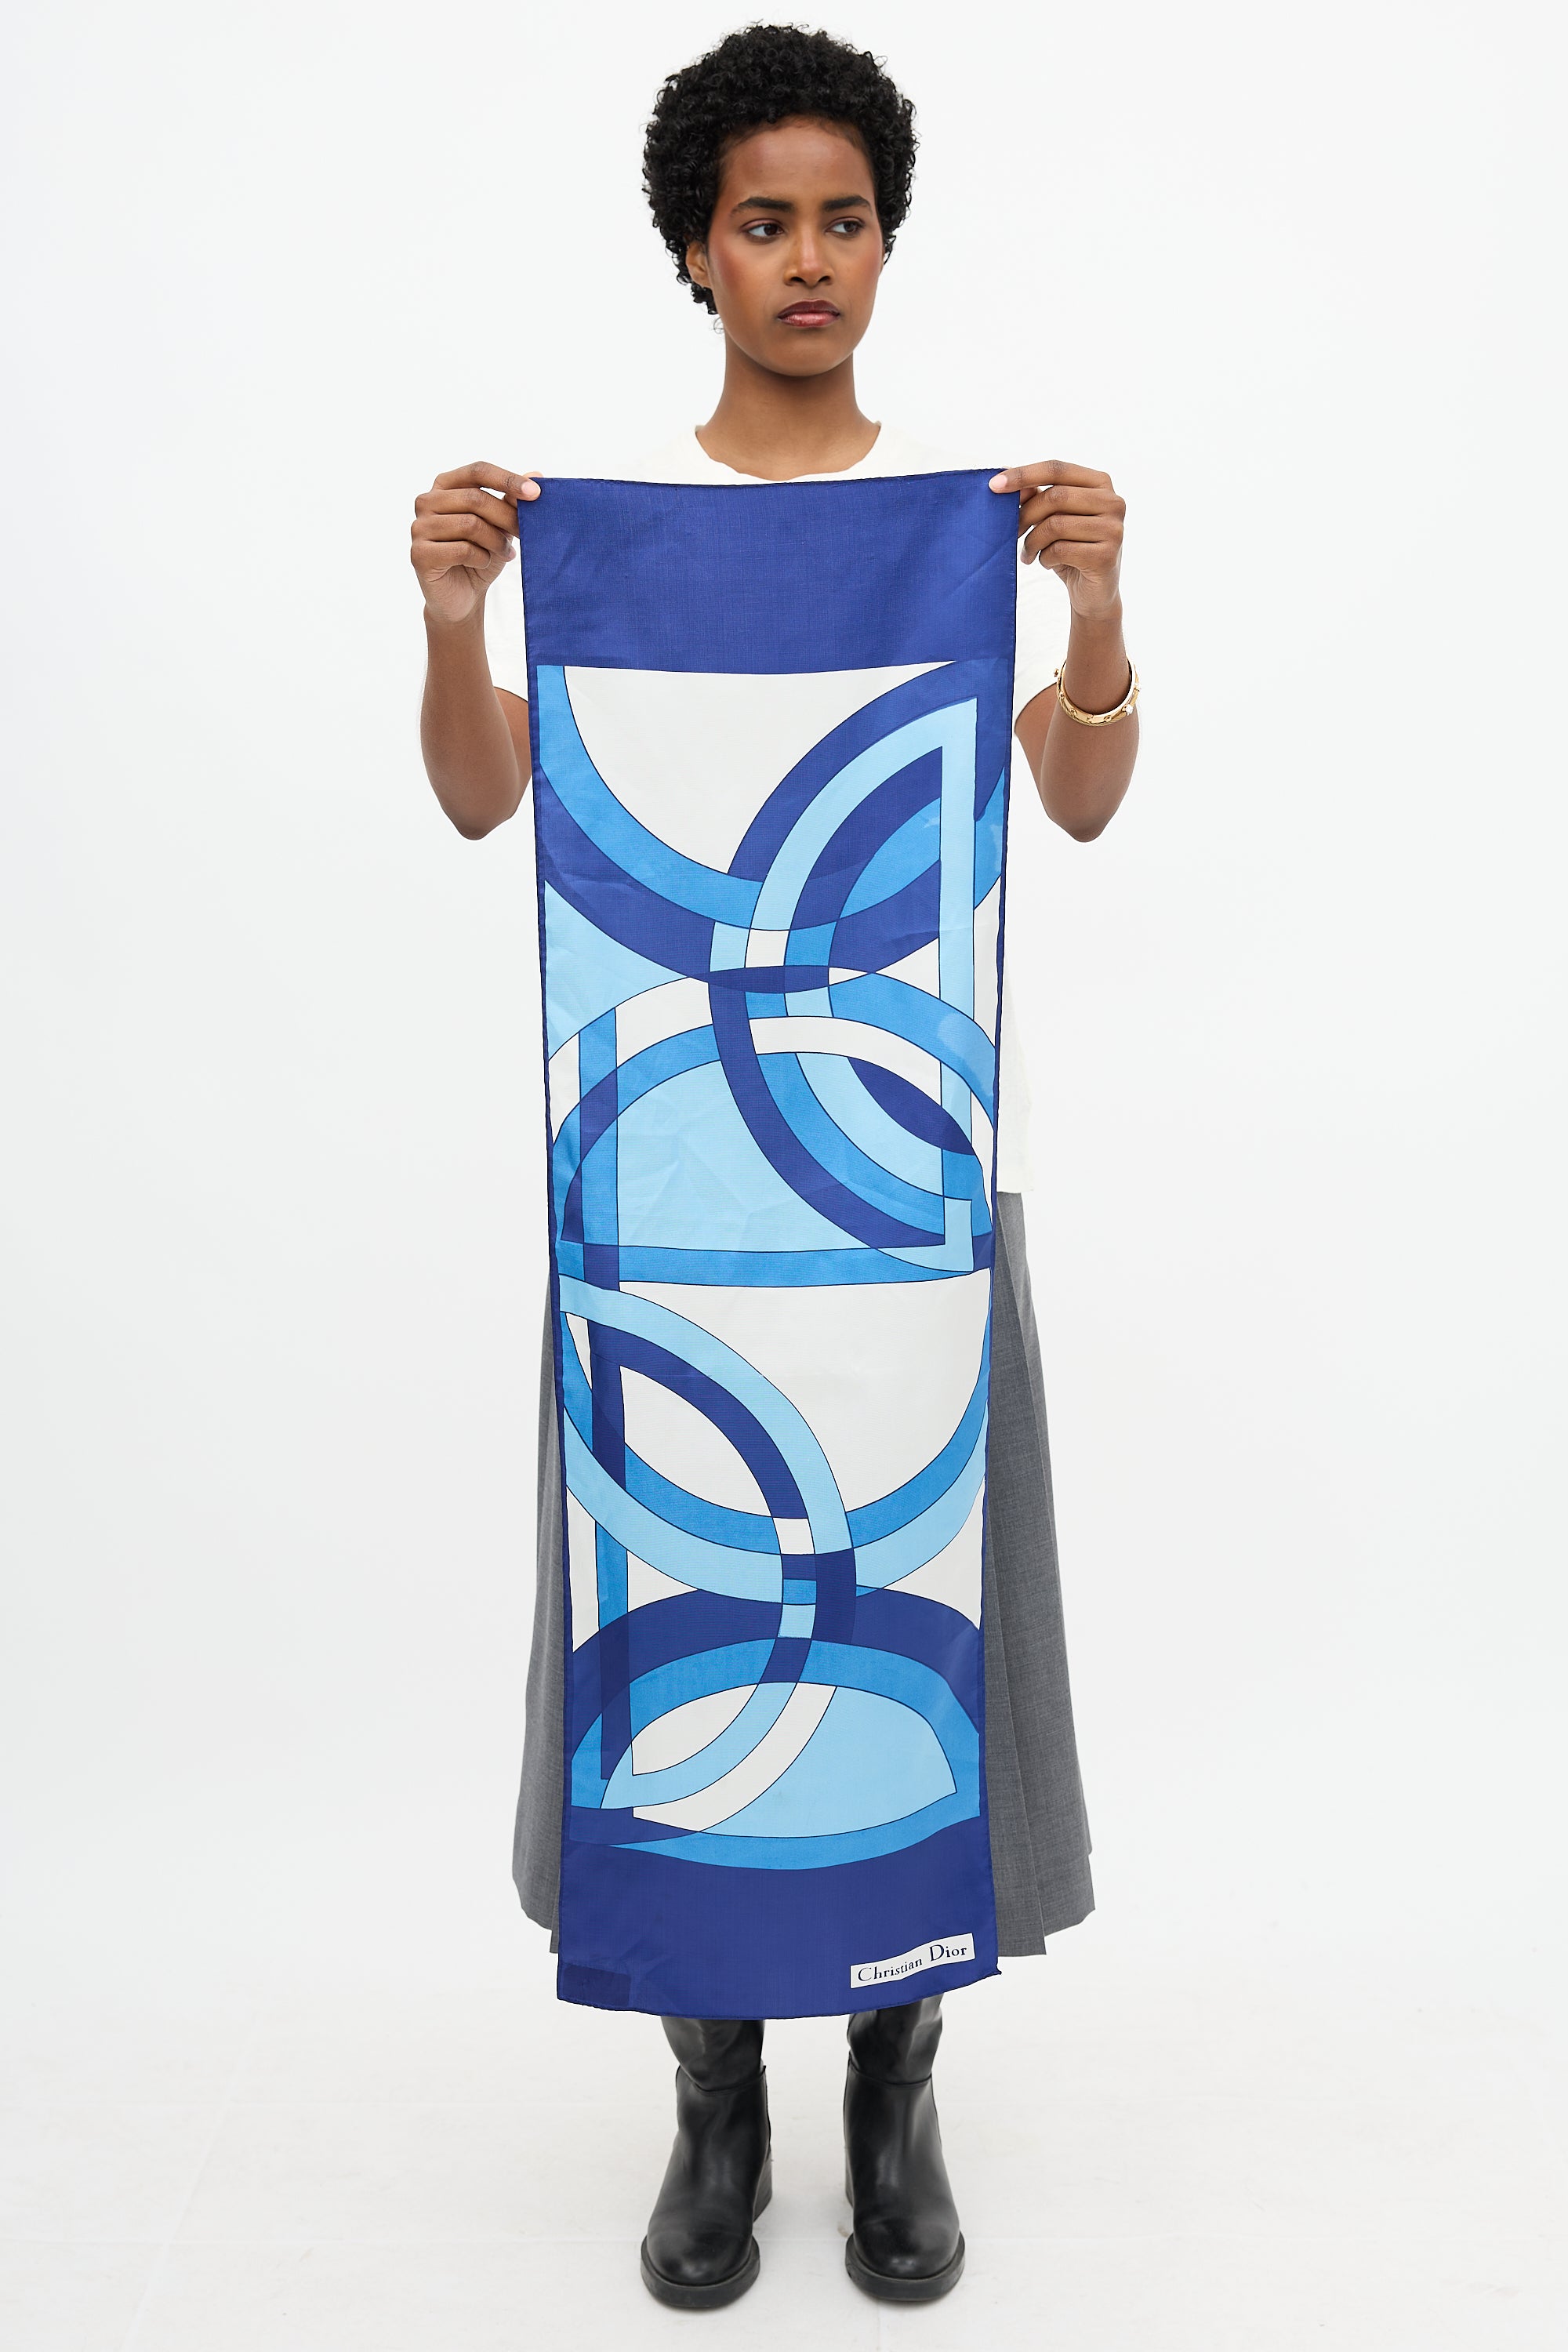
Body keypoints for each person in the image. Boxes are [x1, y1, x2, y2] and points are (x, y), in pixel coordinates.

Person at [409, 22, 1138, 2310]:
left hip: (896, 1201)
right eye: (762, 222)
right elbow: (489, 801)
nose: (806, 257)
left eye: (844, 219)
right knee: (686, 1635)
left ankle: (895, 2082)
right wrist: (454, 621)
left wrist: (1093, 610)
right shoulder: (615, 528)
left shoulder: (960, 526)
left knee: (923, 1597)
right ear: (696, 253)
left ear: (887, 245)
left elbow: (1077, 800)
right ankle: (714, 2095)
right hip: (677, 1220)